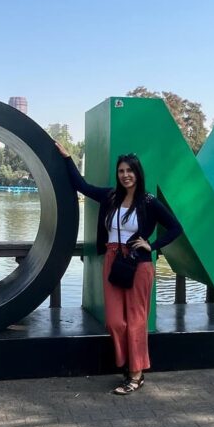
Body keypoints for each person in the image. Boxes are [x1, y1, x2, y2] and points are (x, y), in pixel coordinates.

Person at [53, 141, 182, 395]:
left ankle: (135, 374)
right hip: (113, 260)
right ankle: (128, 363)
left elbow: (176, 228)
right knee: (114, 322)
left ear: (138, 173)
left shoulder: (149, 202)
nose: (125, 175)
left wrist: (152, 245)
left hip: (138, 264)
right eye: (121, 171)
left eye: (130, 171)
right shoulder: (110, 196)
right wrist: (67, 157)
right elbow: (82, 186)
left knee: (136, 321)